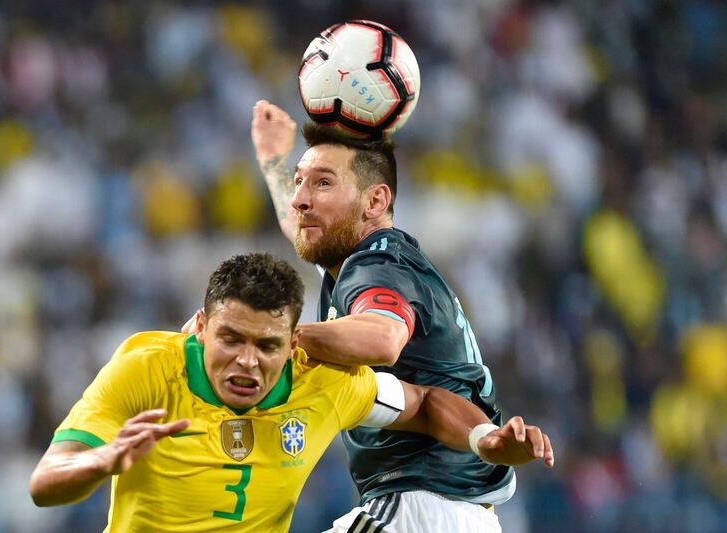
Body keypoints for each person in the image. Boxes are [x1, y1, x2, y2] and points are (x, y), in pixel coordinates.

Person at [31, 253, 552, 533]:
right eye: (230, 339)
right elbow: (45, 483)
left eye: (267, 345)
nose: (247, 361)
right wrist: (103, 460)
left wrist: (486, 438)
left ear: (293, 341)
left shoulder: (318, 379)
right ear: (199, 327)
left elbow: (423, 403)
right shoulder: (146, 369)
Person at [237, 100, 529, 531]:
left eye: (322, 183)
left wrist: (269, 335)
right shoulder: (363, 255)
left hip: (417, 507)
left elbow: (383, 338)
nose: (300, 199)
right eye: (299, 183)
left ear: (375, 200)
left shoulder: (375, 268)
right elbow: (298, 219)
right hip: (456, 513)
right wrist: (272, 160)